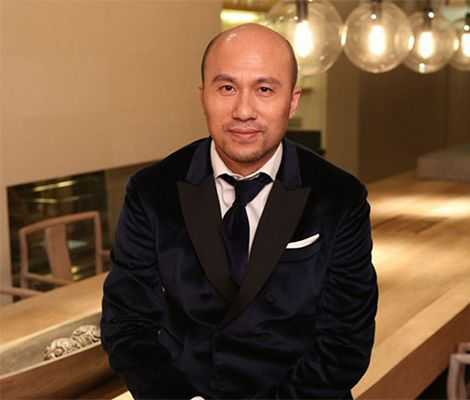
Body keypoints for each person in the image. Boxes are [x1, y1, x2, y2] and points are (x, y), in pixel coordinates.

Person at [101, 23, 378, 400]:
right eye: (227, 88)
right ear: (203, 96)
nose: (243, 111)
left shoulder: (340, 197)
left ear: (292, 101)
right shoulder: (152, 191)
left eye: (264, 89)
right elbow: (126, 323)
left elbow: (344, 343)